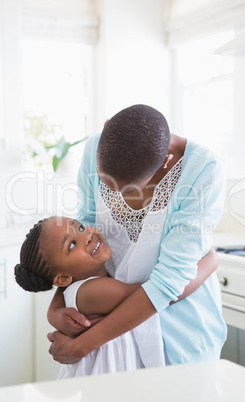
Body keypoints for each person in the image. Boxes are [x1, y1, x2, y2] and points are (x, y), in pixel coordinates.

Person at [47, 104, 227, 366]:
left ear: (165, 160)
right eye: (106, 184)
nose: (116, 196)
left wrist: (82, 346)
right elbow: (83, 236)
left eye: (128, 191)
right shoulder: (94, 148)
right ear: (106, 127)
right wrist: (56, 309)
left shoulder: (204, 170)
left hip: (180, 341)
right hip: (115, 342)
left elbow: (169, 282)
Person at [14, 216, 164, 377]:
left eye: (80, 228)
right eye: (71, 245)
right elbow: (158, 291)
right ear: (63, 279)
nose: (87, 236)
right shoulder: (95, 291)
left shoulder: (80, 289)